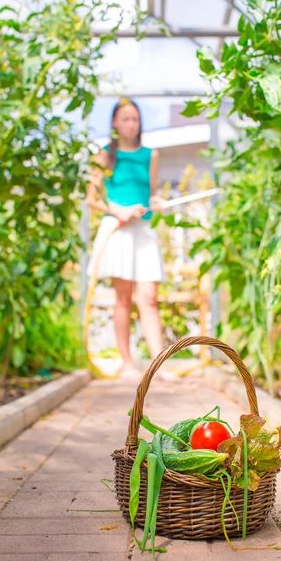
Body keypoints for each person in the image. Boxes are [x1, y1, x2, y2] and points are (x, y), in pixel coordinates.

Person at [86, 98, 177, 382]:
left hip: (144, 232)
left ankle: (157, 364)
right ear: (114, 123)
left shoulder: (151, 154)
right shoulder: (104, 155)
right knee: (123, 298)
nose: (130, 124)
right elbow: (92, 198)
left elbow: (150, 193)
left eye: (134, 119)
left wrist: (157, 201)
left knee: (149, 298)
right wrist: (118, 210)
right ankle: (126, 363)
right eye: (125, 119)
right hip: (118, 231)